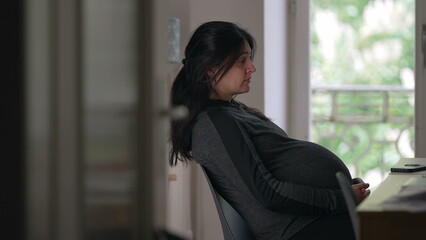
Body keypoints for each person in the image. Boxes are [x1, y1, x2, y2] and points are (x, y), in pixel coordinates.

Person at [169, 21, 370, 240]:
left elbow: (282, 168)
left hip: (310, 221)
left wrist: (344, 189)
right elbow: (269, 194)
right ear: (211, 68)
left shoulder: (229, 112)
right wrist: (341, 199)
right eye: (241, 61)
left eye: (249, 59)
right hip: (299, 230)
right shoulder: (214, 124)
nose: (251, 68)